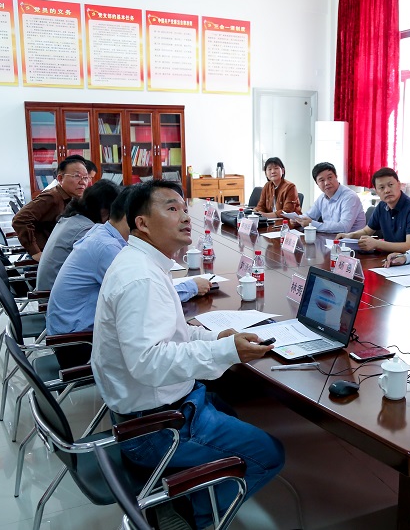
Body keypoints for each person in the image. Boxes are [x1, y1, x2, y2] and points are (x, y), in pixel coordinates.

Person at [91, 180, 284, 529]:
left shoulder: (144, 263)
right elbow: (149, 362)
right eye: (171, 208)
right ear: (142, 223)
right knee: (269, 453)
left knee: (227, 404)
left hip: (152, 407)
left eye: (184, 208)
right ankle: (195, 518)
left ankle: (194, 486)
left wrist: (217, 337)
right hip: (156, 427)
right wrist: (226, 351)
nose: (184, 216)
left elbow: (172, 333)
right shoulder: (142, 279)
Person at [46, 185, 208, 337]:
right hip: (76, 339)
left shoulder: (102, 232)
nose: (185, 218)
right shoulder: (108, 247)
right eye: (172, 209)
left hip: (72, 327)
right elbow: (150, 298)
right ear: (132, 218)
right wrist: (192, 287)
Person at [36, 179, 121, 291]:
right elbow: (110, 271)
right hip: (51, 295)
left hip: (49, 290)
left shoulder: (73, 219)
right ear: (103, 209)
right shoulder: (85, 230)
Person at [12, 156, 91, 261]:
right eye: (77, 176)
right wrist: (35, 252)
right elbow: (20, 219)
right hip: (51, 258)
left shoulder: (71, 198)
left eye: (86, 177)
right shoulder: (52, 197)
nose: (83, 182)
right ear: (60, 178)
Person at [336, 167, 410, 252]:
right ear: (376, 191)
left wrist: (377, 244)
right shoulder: (382, 206)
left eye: (390, 185)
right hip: (391, 258)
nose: (387, 190)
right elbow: (367, 231)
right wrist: (349, 236)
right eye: (381, 187)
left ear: (399, 185)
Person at [295, 162, 366, 233]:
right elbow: (309, 216)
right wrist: (297, 219)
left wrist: (312, 224)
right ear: (317, 184)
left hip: (351, 239)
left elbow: (344, 227)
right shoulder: (322, 198)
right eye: (322, 180)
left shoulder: (350, 197)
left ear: (336, 177)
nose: (327, 183)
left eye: (330, 178)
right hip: (329, 237)